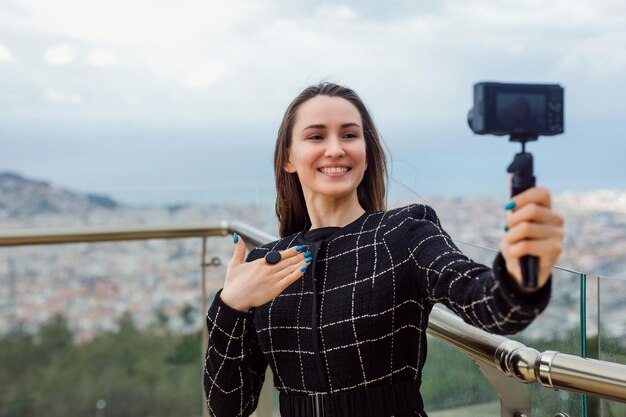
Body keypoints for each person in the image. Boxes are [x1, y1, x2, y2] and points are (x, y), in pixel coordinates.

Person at [204, 83, 564, 417]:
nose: (335, 148)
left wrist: (522, 270)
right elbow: (229, 407)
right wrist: (231, 305)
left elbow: (494, 309)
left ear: (366, 152)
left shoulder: (404, 233)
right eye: (316, 136)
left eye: (350, 135)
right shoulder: (265, 265)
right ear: (288, 158)